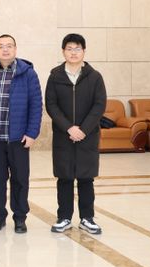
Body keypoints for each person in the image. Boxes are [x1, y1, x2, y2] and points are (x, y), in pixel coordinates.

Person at [45, 34, 107, 235]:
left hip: (87, 136)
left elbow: (99, 105)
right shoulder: (55, 76)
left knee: (86, 177)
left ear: (84, 51)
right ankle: (64, 217)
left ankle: (87, 218)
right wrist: (69, 128)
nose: (73, 52)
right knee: (64, 177)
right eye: (69, 49)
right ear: (63, 51)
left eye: (77, 49)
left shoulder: (94, 77)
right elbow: (51, 105)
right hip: (63, 135)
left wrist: (83, 129)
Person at [0, 34, 42, 234]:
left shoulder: (28, 74)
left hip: (19, 139)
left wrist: (32, 133)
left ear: (15, 49)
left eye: (9, 46)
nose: (5, 49)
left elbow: (36, 105)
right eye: (1, 46)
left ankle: (20, 218)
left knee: (20, 180)